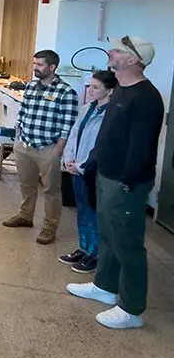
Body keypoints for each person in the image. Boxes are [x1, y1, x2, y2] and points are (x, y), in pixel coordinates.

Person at [68, 36, 164, 330]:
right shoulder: (121, 90)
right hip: (104, 175)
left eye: (119, 51)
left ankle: (131, 308)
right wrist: (93, 163)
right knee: (107, 234)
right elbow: (108, 135)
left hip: (125, 183)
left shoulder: (146, 97)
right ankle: (105, 286)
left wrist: (127, 183)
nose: (112, 52)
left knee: (127, 243)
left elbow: (140, 147)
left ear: (134, 60)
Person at [2, 50, 79, 244]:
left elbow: (67, 126)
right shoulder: (31, 86)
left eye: (39, 65)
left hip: (48, 149)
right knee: (26, 184)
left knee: (51, 190)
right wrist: (18, 133)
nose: (35, 68)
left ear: (52, 67)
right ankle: (25, 216)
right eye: (34, 64)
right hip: (25, 145)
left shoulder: (66, 92)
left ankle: (49, 227)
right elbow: (23, 111)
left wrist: (58, 150)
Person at [59, 69, 116, 273]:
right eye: (90, 86)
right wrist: (69, 159)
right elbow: (74, 134)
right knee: (81, 210)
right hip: (75, 168)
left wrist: (82, 165)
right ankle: (84, 248)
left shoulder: (111, 114)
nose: (90, 90)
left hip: (92, 171)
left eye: (96, 87)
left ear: (109, 91)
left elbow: (101, 146)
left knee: (94, 212)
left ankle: (96, 254)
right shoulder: (86, 109)